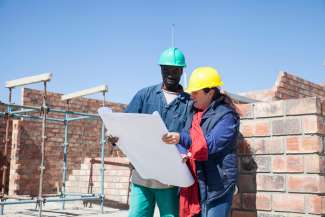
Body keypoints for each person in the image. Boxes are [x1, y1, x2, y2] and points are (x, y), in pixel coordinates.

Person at [162, 67, 240, 217]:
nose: (191, 96)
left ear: (210, 92)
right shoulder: (193, 113)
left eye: (195, 92)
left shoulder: (227, 117)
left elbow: (209, 144)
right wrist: (184, 152)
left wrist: (181, 139)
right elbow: (186, 139)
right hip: (196, 182)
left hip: (218, 187)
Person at [125, 47, 192, 217]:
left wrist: (183, 151)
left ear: (182, 71)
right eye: (166, 69)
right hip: (142, 175)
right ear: (161, 69)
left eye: (175, 70)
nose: (171, 74)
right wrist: (115, 137)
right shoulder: (144, 95)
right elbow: (125, 124)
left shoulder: (189, 103)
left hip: (170, 179)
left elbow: (191, 136)